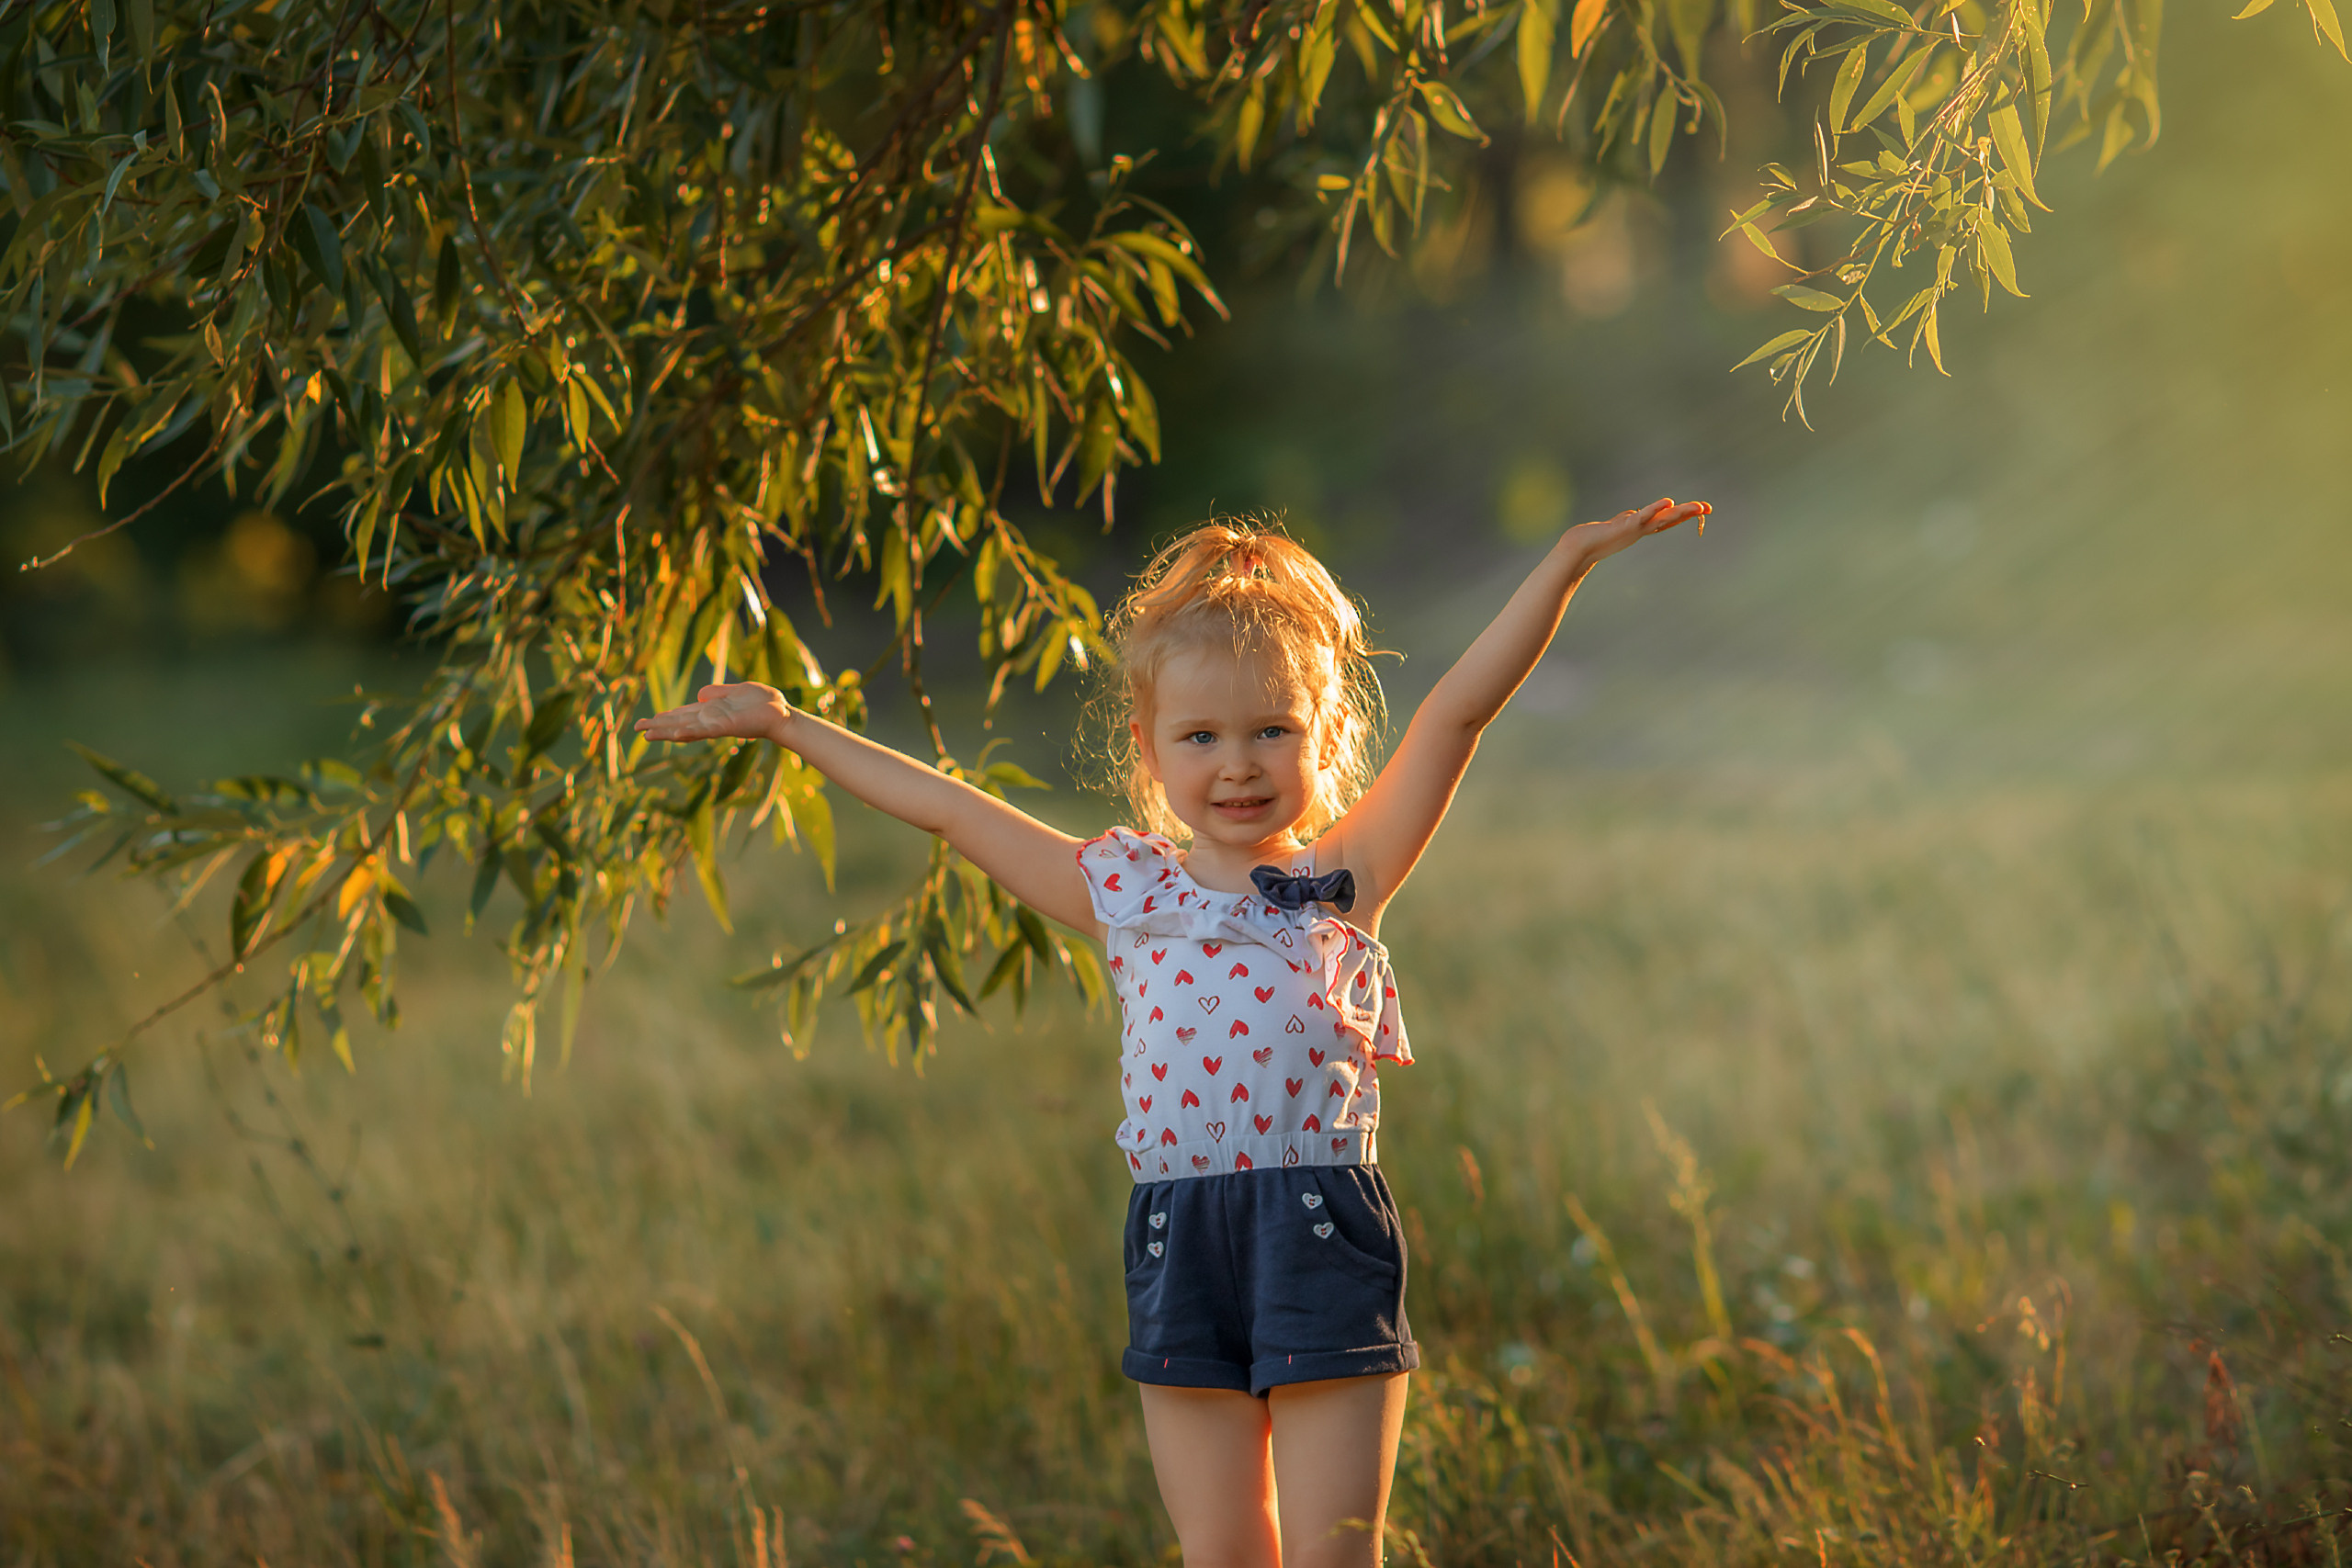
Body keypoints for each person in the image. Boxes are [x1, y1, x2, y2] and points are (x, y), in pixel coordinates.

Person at [635, 496, 1711, 1566]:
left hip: (1317, 1226)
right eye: (1201, 736)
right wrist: (787, 725)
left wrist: (1567, 562)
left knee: (1336, 1552)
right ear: (1148, 748)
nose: (1237, 765)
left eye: (1270, 731)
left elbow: (1454, 714)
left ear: (1324, 733)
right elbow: (951, 809)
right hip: (1175, 1244)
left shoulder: (1345, 879)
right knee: (1224, 1555)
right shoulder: (1121, 890)